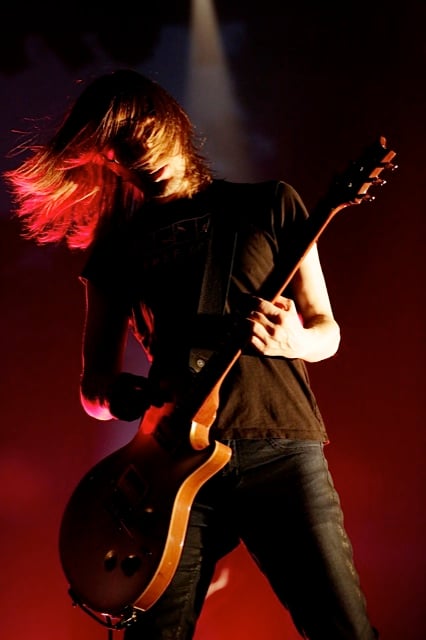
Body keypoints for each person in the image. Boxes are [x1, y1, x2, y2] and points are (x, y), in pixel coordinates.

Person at [3, 69, 378, 639]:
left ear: (172, 123)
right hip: (174, 474)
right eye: (120, 153)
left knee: (343, 628)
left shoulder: (269, 204)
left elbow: (327, 330)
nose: (140, 158)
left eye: (143, 136)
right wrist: (124, 395)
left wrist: (293, 340)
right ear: (109, 162)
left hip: (280, 449)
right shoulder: (116, 249)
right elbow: (93, 392)